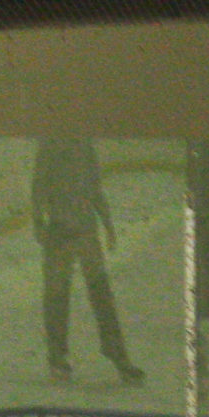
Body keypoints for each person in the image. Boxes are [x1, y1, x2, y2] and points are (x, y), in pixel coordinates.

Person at [30, 136, 144, 385]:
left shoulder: (85, 144)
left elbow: (95, 187)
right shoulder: (50, 143)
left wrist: (107, 223)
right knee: (57, 297)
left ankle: (118, 355)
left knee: (101, 294)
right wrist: (39, 222)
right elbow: (39, 185)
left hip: (87, 232)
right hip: (59, 232)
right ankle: (57, 358)